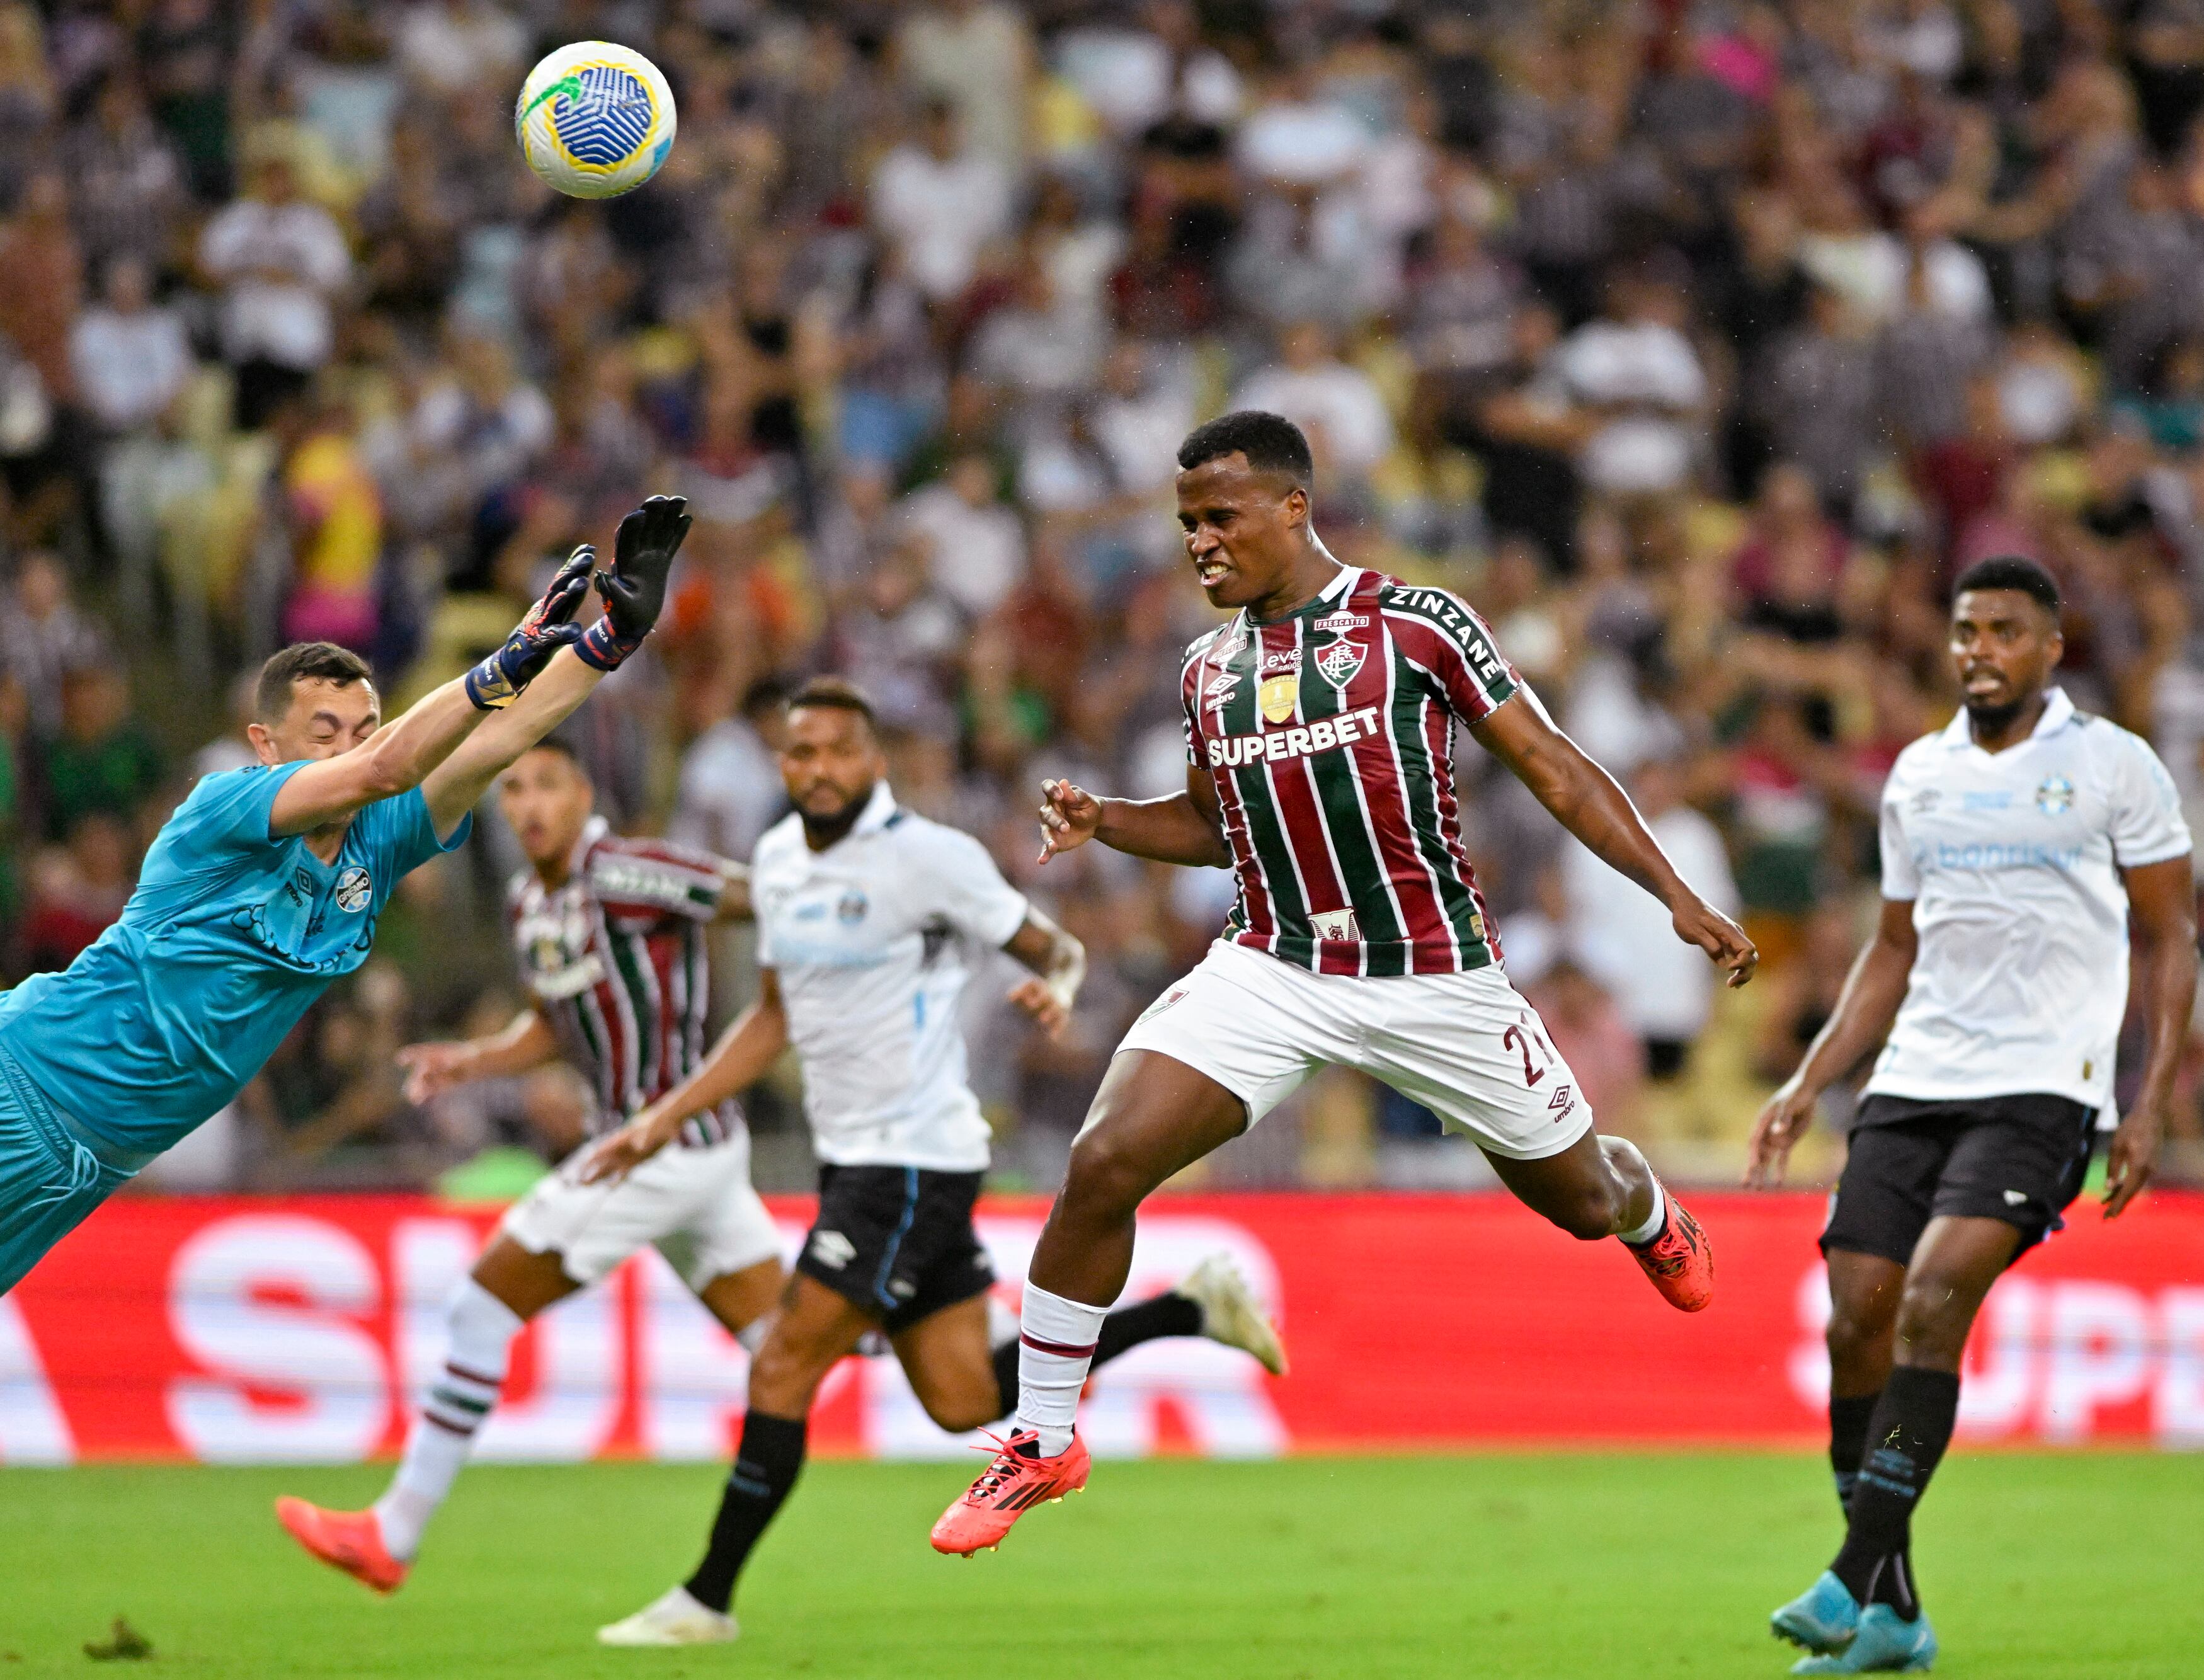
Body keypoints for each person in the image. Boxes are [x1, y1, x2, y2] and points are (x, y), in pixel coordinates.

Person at [928, 411, 1754, 1557]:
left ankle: (1645, 1207)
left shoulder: (1415, 625)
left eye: (1220, 518)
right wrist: (1108, 821)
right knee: (1105, 1156)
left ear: (1293, 508)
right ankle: (1043, 1436)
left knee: (1576, 1202)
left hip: (1433, 972)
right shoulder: (1208, 668)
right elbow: (1224, 828)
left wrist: (1670, 889)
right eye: (1186, 526)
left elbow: (1555, 765)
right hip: (1274, 963)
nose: (1199, 544)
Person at [581, 678, 1286, 1646]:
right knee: (961, 1394)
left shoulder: (930, 858)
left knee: (785, 1360)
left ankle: (705, 1598)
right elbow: (776, 1017)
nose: (818, 768)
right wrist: (669, 1114)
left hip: (912, 1160)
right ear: (783, 763)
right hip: (858, 1160)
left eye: (837, 750)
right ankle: (1190, 1305)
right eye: (801, 752)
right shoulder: (780, 860)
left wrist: (1057, 986)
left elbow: (1055, 946)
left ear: (874, 760)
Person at [0, 496, 694, 1293]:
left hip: (90, 1162)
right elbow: (389, 766)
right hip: (23, 1081)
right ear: (266, 747)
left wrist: (611, 639)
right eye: (323, 733)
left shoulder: (382, 839)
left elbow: (502, 736)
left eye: (365, 728)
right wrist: (500, 665)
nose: (350, 749)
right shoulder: (222, 811)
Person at [1745, 554, 2198, 1674]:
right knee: (1856, 1313)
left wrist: (2148, 1102)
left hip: (2046, 1083)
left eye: (2003, 631)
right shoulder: (1918, 775)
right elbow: (1892, 945)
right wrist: (1809, 1080)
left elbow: (2171, 935)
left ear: (2052, 646)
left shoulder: (2112, 765)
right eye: (1964, 630)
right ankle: (1895, 1611)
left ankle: (1850, 1574)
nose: (1978, 650)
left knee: (1937, 1292)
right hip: (1916, 1076)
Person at [273, 736, 784, 1592]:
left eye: (548, 784)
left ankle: (392, 1532)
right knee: (795, 1345)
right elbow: (558, 1021)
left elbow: (757, 897)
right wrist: (474, 1058)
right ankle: (1021, 1376)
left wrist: (834, 933)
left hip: (652, 1145)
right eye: (514, 790)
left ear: (585, 791)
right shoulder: (528, 901)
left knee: (481, 1305)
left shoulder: (629, 871)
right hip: (694, 1151)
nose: (530, 804)